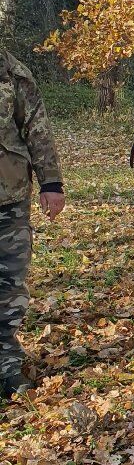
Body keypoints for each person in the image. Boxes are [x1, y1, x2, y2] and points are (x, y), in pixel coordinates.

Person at [0, 49, 65, 398]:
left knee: (8, 287)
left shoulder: (11, 69)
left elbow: (36, 127)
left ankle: (6, 365)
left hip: (8, 196)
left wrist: (51, 183)